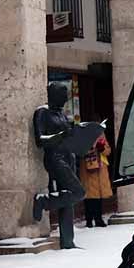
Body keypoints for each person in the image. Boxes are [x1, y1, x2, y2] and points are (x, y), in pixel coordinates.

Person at [32, 83, 86, 249]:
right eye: (62, 96)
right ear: (52, 95)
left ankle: (68, 241)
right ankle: (44, 202)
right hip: (55, 158)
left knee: (68, 199)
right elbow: (41, 140)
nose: (65, 99)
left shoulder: (61, 114)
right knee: (78, 192)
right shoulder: (42, 113)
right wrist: (62, 134)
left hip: (68, 157)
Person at [80, 132, 113, 227]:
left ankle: (98, 219)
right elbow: (80, 151)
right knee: (89, 196)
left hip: (100, 169)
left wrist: (101, 148)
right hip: (88, 169)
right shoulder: (82, 135)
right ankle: (89, 219)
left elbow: (108, 151)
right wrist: (91, 147)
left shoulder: (101, 135)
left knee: (99, 196)